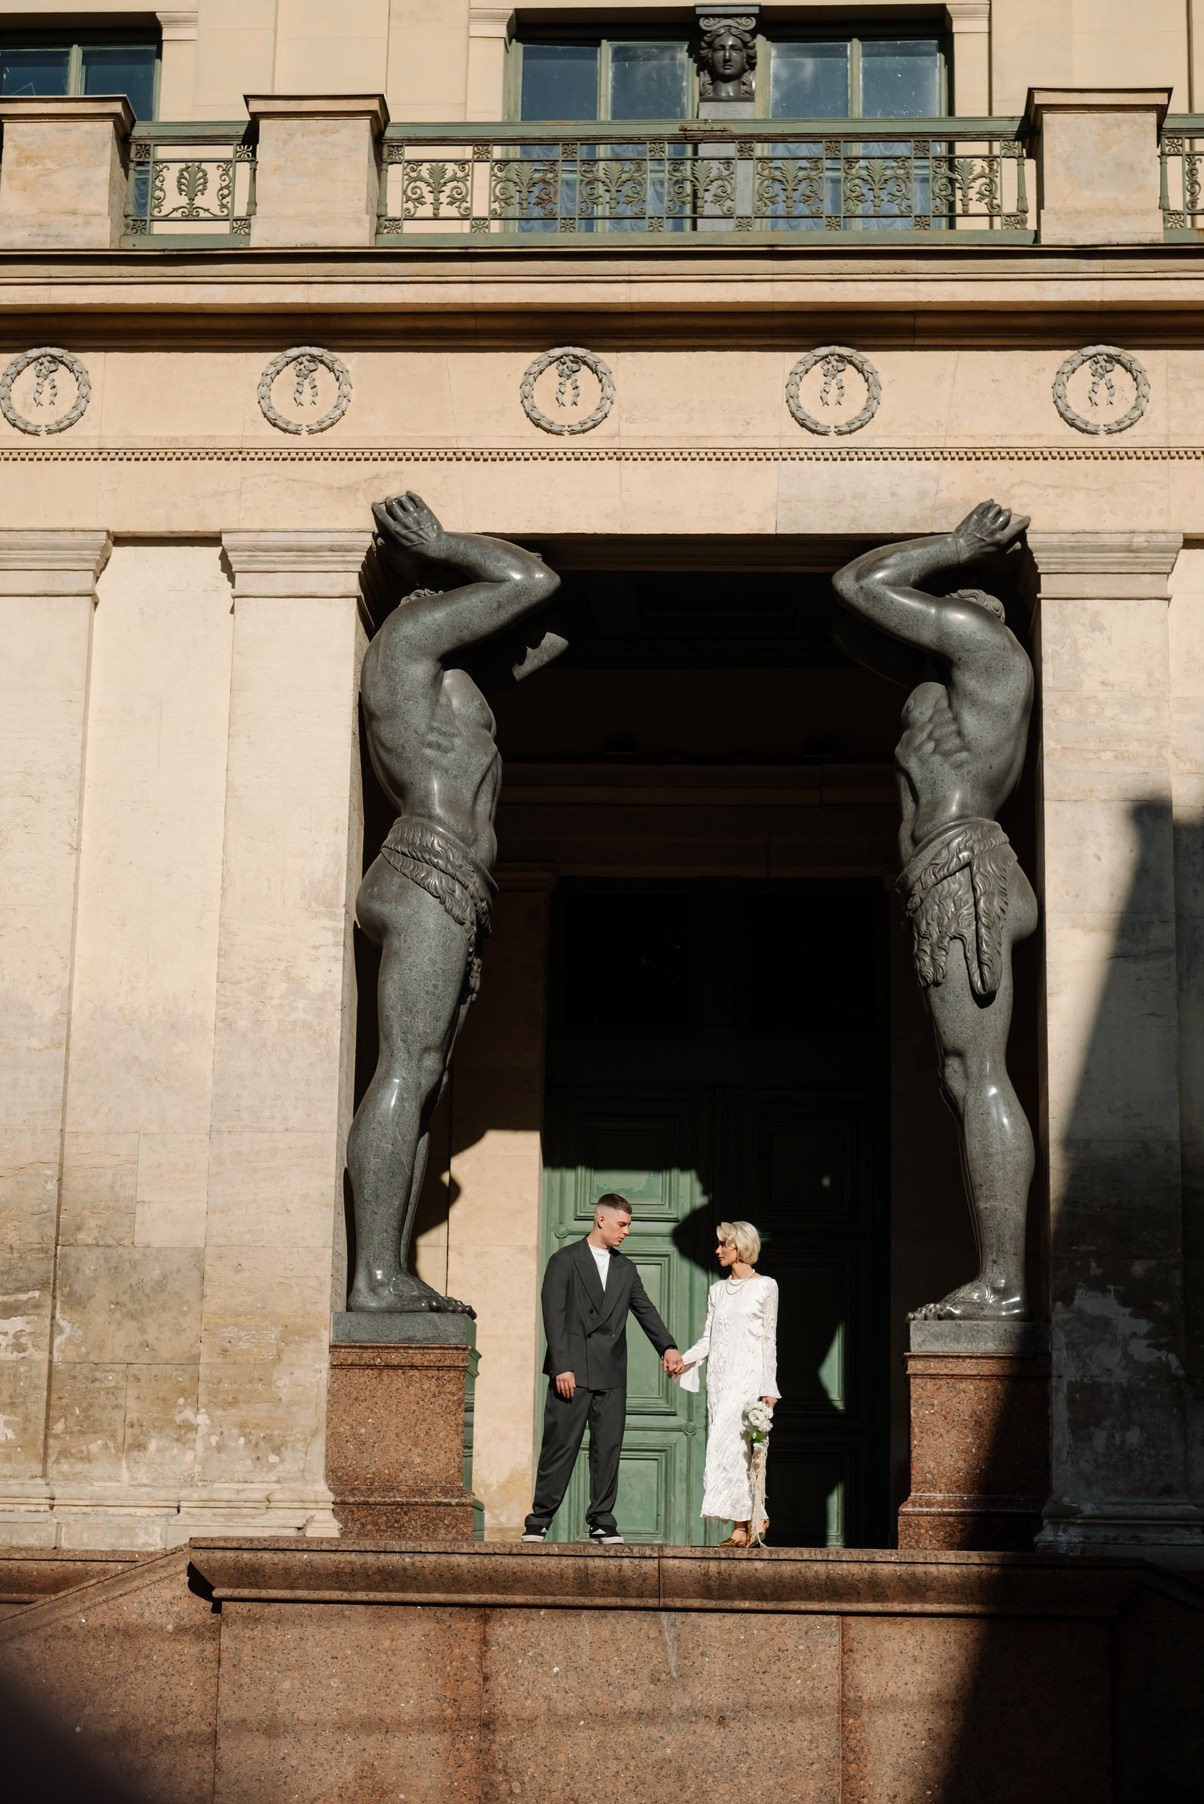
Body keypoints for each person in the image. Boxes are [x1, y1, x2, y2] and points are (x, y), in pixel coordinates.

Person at [347, 492, 566, 1314]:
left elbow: (552, 629)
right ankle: (373, 1273)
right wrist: (444, 544)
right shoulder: (408, 638)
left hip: (456, 884)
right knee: (407, 1067)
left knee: (426, 1075)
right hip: (428, 868)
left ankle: (387, 1268)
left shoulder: (453, 678)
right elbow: (531, 579)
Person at [832, 500, 1037, 1321]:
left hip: (963, 870)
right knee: (962, 1074)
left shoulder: (989, 650)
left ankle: (1004, 1278)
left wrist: (956, 546)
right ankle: (1000, 1271)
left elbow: (860, 584)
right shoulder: (946, 687)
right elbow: (854, 630)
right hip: (940, 875)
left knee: (977, 1070)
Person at [523, 1194, 684, 1544]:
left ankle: (601, 1521)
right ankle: (539, 1520)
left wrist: (668, 1346)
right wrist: (562, 1366)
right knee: (560, 1446)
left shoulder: (626, 1268)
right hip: (573, 1372)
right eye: (622, 1224)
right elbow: (554, 1316)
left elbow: (646, 1310)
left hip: (611, 1372)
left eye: (628, 1224)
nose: (627, 1231)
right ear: (601, 1220)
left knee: (607, 1448)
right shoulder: (564, 1260)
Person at [676, 1220, 779, 1548]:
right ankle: (744, 1523)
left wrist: (769, 1387)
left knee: (742, 1448)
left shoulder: (766, 1286)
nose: (718, 1250)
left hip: (748, 1379)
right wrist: (685, 1360)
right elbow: (708, 1338)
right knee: (726, 1450)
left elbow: (768, 1339)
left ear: (742, 1247)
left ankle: (751, 1521)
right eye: (719, 1244)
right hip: (720, 1379)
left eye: (725, 1244)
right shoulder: (717, 1290)